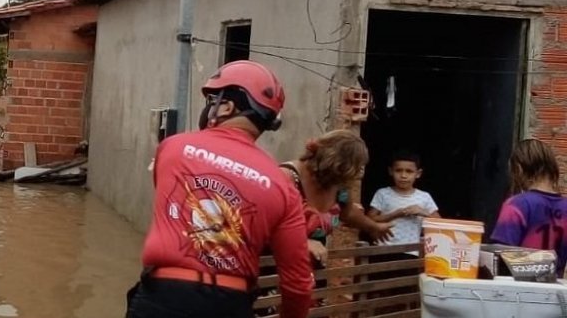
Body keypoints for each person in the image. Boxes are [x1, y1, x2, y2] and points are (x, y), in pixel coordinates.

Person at [126, 60, 312, 318]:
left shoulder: (173, 147)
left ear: (227, 106)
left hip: (162, 300)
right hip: (230, 305)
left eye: (213, 100)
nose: (210, 107)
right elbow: (298, 284)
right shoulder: (283, 186)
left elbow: (169, 200)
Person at [279, 130, 392, 267]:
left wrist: (374, 227)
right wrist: (302, 242)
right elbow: (261, 225)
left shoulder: (336, 184)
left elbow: (348, 213)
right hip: (273, 268)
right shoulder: (286, 178)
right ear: (338, 165)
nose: (360, 172)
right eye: (356, 167)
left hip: (310, 269)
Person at [490, 138, 567, 276]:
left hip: (519, 291)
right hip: (555, 290)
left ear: (518, 169)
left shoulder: (516, 205)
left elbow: (499, 256)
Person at [367, 150, 439, 253]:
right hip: (383, 249)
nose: (403, 176)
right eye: (398, 170)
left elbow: (440, 223)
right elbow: (369, 220)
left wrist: (422, 212)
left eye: (409, 171)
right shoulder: (383, 193)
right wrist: (396, 214)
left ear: (418, 174)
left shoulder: (424, 197)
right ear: (391, 171)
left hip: (411, 252)